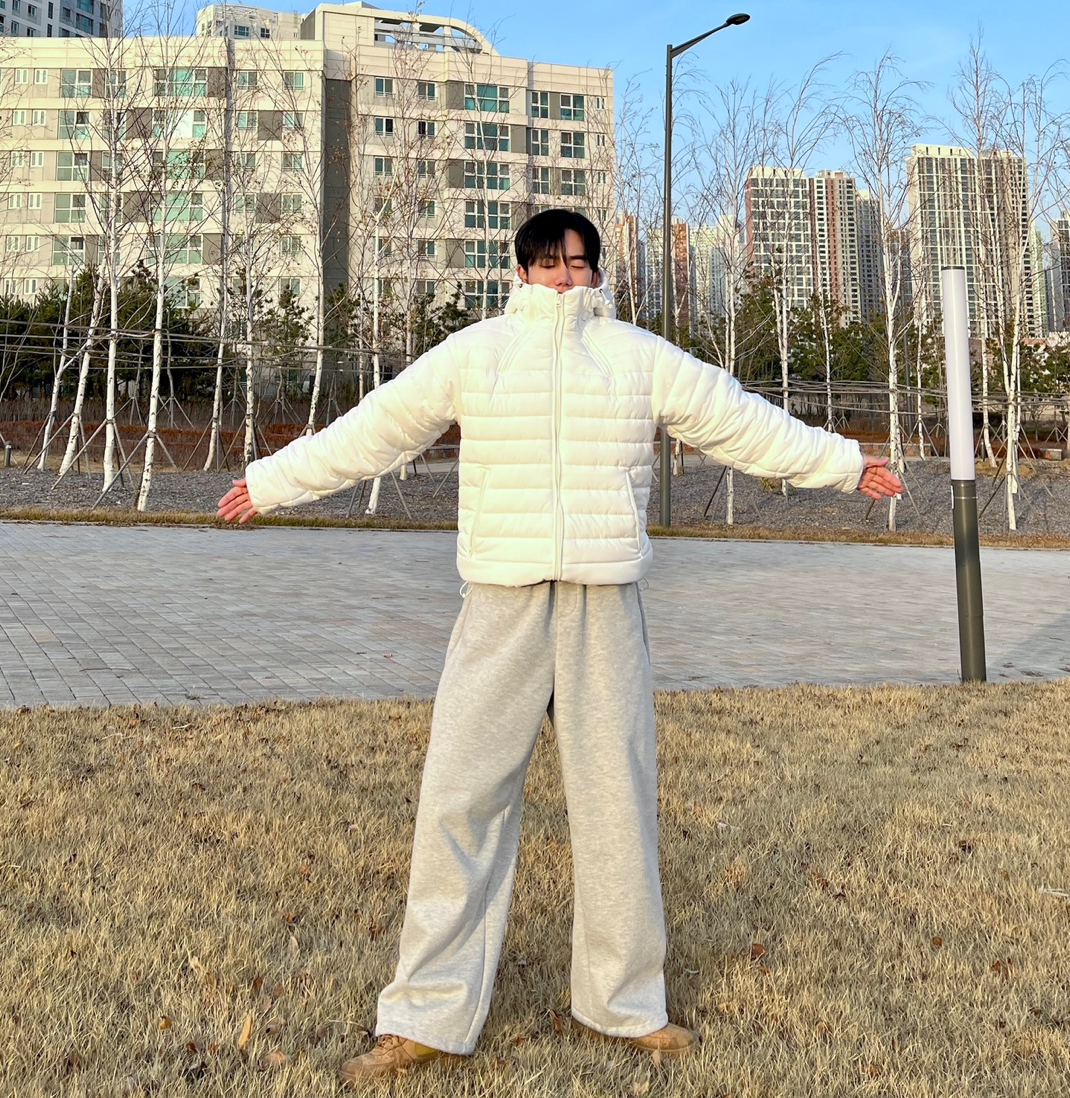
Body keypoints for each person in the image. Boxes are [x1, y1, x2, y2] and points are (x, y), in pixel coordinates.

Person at [218, 208, 902, 1088]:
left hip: (602, 603)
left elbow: (737, 420)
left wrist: (842, 464)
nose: (565, 277)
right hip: (499, 603)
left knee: (617, 805)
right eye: (549, 263)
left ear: (597, 272)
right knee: (460, 800)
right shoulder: (475, 354)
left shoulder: (637, 356)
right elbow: (376, 429)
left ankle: (625, 1004)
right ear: (522, 271)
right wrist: (271, 483)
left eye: (578, 262)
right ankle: (424, 1016)